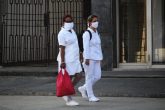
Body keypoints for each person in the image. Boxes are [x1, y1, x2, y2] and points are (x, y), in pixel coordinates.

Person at [57, 15, 82, 106]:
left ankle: (67, 92)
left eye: (71, 21)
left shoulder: (72, 31)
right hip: (67, 60)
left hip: (75, 59)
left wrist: (80, 54)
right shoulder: (62, 33)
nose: (69, 23)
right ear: (63, 22)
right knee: (69, 78)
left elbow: (75, 44)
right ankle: (68, 99)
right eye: (67, 21)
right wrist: (63, 62)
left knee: (79, 75)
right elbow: (62, 48)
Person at [78, 15, 103, 102]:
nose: (96, 22)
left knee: (98, 76)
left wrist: (100, 58)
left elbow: (99, 47)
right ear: (89, 23)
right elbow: (86, 47)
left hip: (97, 58)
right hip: (89, 59)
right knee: (89, 77)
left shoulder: (97, 33)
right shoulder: (87, 34)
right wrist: (86, 59)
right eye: (94, 21)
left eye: (97, 20)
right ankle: (90, 96)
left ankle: (83, 88)